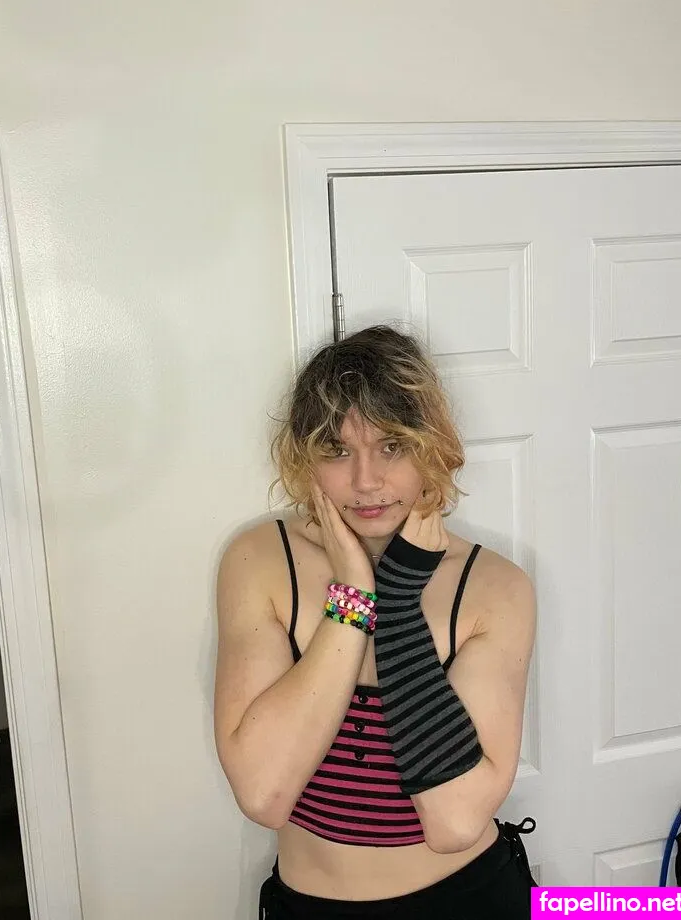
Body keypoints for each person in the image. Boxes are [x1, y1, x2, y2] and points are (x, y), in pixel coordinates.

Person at [214, 324, 537, 919]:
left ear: (431, 446)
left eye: (392, 446)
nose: (366, 482)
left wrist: (397, 601)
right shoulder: (260, 561)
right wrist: (354, 599)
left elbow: (454, 821)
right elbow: (263, 793)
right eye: (337, 451)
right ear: (304, 459)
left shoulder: (496, 588)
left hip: (468, 901)